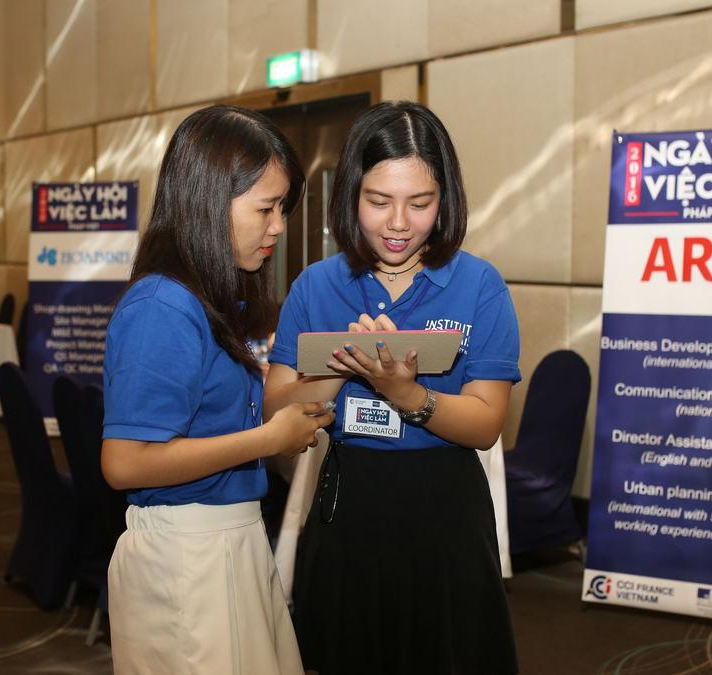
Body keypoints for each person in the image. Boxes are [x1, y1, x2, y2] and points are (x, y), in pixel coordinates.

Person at [264, 101, 522, 674]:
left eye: (420, 203)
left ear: (445, 200)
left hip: (446, 511)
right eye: (379, 202)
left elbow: (486, 424)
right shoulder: (316, 286)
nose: (399, 223)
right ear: (350, 195)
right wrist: (342, 364)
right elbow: (275, 413)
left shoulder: (479, 285)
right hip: (349, 506)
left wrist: (407, 396)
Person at [99, 105, 335, 675]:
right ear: (208, 203)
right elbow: (125, 463)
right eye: (265, 208)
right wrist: (267, 439)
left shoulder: (208, 299)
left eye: (282, 208)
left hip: (225, 539)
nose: (278, 226)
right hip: (188, 555)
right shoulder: (162, 306)